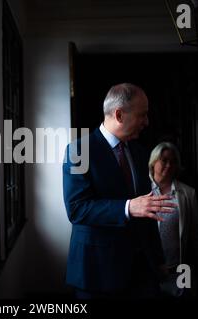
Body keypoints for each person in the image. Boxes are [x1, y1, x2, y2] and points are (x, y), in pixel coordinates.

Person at [63, 83, 176, 299]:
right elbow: (77, 209)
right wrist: (128, 207)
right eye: (142, 115)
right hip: (97, 273)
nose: (147, 122)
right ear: (119, 114)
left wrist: (158, 259)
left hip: (142, 272)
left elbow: (147, 208)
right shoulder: (79, 151)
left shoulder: (139, 152)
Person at [148, 142, 198, 297]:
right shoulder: (140, 189)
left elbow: (196, 233)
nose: (169, 165)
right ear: (153, 162)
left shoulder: (188, 193)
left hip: (181, 268)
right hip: (149, 271)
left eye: (173, 161)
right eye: (164, 160)